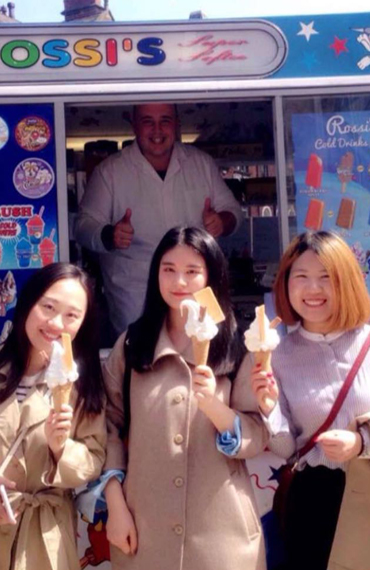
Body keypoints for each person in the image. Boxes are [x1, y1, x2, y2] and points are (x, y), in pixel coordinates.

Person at [103, 226, 267, 570]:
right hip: (145, 533)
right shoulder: (133, 344)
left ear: (211, 277)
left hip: (222, 538)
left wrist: (214, 406)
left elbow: (257, 435)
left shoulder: (236, 346)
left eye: (192, 271)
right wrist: (115, 504)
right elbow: (108, 425)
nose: (179, 281)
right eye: (169, 269)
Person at [250, 231, 370, 570]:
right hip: (314, 499)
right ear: (286, 285)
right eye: (301, 277)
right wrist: (270, 406)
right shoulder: (279, 355)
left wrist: (361, 441)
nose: (313, 289)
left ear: (347, 282)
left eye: (326, 278)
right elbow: (287, 447)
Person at [74, 103, 243, 337]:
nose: (157, 130)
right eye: (147, 122)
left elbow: (234, 211)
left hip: (194, 284)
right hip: (134, 290)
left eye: (165, 121)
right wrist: (108, 235)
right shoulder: (110, 171)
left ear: (176, 124)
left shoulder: (201, 163)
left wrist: (222, 221)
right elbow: (82, 225)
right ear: (134, 125)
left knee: (200, 351)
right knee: (142, 359)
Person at [0, 263, 106, 570]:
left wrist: (61, 448)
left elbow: (93, 458)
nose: (56, 322)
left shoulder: (80, 385)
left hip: (44, 541)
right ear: (29, 304)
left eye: (72, 315)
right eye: (48, 307)